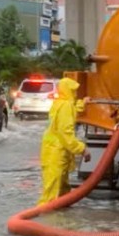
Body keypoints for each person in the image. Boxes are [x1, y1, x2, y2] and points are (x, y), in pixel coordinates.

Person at [38, 77, 87, 205]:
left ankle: (61, 216)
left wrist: (82, 104)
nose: (76, 93)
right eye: (73, 91)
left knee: (62, 188)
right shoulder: (66, 105)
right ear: (68, 90)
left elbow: (69, 116)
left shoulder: (60, 103)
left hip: (55, 150)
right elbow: (66, 132)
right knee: (52, 191)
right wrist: (82, 149)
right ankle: (46, 217)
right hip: (56, 151)